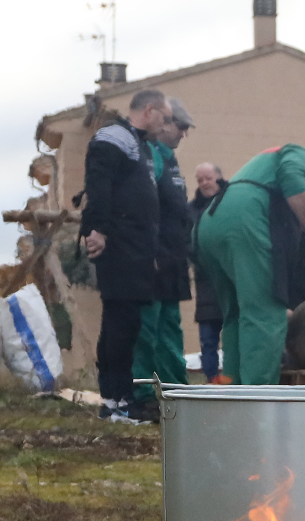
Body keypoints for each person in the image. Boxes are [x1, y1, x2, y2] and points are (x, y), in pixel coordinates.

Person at [195, 142, 305, 385]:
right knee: (264, 314)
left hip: (208, 224)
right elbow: (294, 178)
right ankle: (258, 402)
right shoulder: (296, 152)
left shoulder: (260, 165)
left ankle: (233, 390)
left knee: (235, 315)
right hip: (244, 221)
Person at [80, 89, 167, 423]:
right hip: (120, 246)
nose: (166, 122)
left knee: (126, 323)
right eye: (165, 115)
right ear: (149, 111)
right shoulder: (114, 136)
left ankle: (119, 398)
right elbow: (98, 182)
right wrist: (97, 229)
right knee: (120, 323)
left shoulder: (139, 144)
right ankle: (115, 401)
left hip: (136, 247)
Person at [129, 97, 196, 419]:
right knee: (145, 329)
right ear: (164, 122)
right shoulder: (146, 155)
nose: (183, 134)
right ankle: (140, 396)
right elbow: (141, 206)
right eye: (180, 126)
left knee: (170, 328)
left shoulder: (169, 159)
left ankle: (176, 392)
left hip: (173, 258)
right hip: (150, 258)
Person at [189, 162, 229, 382]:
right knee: (208, 340)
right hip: (205, 285)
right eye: (200, 179)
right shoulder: (191, 210)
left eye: (208, 178)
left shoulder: (232, 204)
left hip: (231, 281)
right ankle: (212, 381)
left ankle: (234, 380)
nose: (204, 183)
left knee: (233, 336)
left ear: (219, 178)